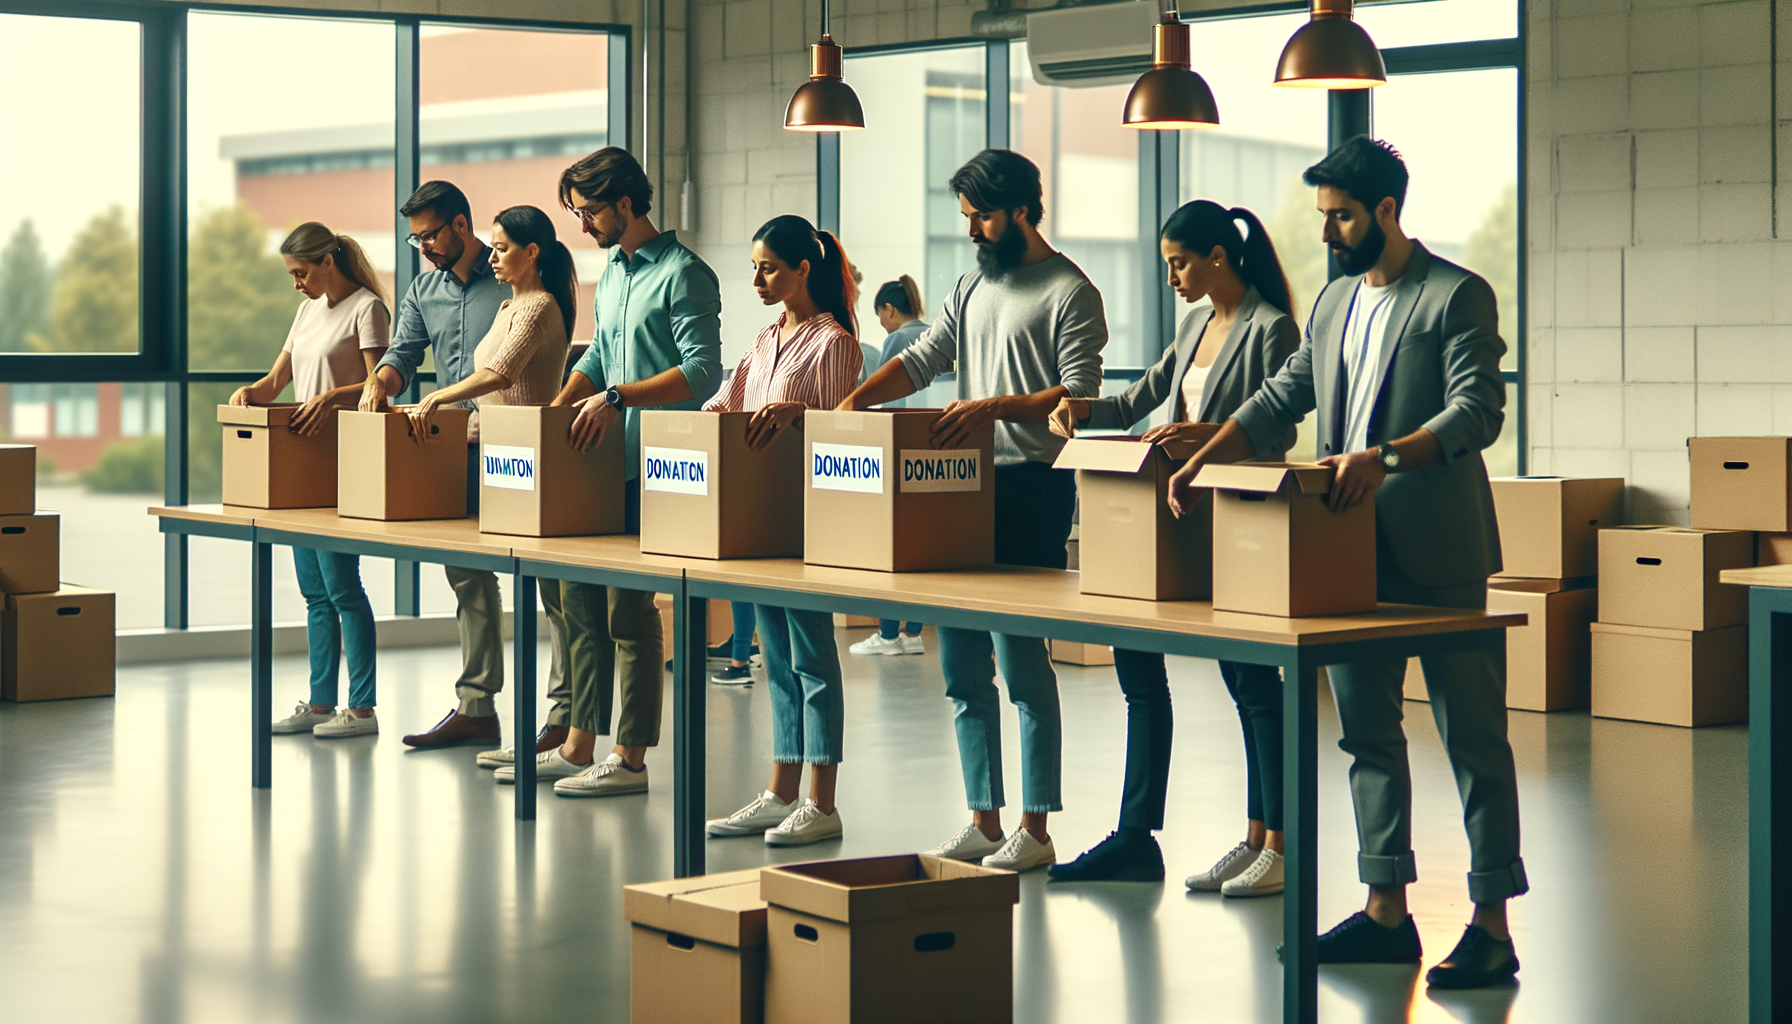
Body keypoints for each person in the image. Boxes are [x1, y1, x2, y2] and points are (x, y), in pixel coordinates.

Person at [1167, 137, 1524, 989]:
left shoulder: (1454, 296)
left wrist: (1386, 458)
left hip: (1438, 554)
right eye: (1324, 217)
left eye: (1341, 217)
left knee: (1473, 739)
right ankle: (1384, 912)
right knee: (1366, 734)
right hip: (1345, 554)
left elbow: (1480, 410)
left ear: (1387, 212)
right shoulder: (1330, 304)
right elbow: (1280, 396)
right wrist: (1204, 458)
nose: (1327, 232)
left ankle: (1491, 926)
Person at [838, 149, 1107, 872]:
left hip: (1033, 488)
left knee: (1023, 665)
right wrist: (859, 399)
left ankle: (1036, 829)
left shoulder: (1071, 292)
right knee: (960, 665)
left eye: (982, 217)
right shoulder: (968, 287)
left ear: (1021, 209)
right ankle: (984, 819)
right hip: (958, 488)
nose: (973, 233)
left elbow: (1075, 399)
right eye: (966, 220)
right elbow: (924, 359)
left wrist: (990, 407)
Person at [1042, 201, 1299, 891]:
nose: (1172, 278)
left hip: (1243, 525)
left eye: (1179, 263)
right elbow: (1138, 400)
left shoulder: (1271, 330)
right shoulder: (1192, 327)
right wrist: (1080, 406)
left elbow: (1277, 436)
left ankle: (1277, 842)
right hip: (1180, 519)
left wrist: (1202, 441)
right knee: (1190, 676)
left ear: (1218, 256)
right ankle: (1247, 839)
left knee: (1253, 683)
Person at [358, 181, 575, 755]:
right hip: (457, 446)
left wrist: (441, 397)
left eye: (429, 234)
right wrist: (379, 383)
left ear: (460, 225)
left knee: (554, 589)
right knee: (466, 577)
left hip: (520, 452)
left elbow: (507, 370)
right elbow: (402, 355)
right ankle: (477, 707)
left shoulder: (515, 287)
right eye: (414, 239)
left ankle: (565, 714)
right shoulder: (424, 289)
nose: (423, 247)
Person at [542, 146, 724, 798]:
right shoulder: (614, 275)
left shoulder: (683, 273)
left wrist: (618, 397)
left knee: (629, 613)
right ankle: (578, 744)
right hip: (599, 464)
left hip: (659, 467)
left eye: (589, 211)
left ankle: (631, 757)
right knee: (580, 605)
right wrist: (560, 405)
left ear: (626, 203)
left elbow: (705, 373)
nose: (583, 226)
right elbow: (601, 359)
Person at [704, 214, 863, 846]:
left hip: (805, 520)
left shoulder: (834, 342)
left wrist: (801, 415)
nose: (758, 279)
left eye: (768, 268)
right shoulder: (765, 338)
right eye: (754, 268)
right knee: (777, 661)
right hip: (759, 520)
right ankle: (780, 790)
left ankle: (822, 802)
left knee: (813, 659)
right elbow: (725, 405)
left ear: (803, 269)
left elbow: (833, 433)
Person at [243, 223, 389, 740]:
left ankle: (363, 708)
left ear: (328, 261)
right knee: (314, 594)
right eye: (291, 275)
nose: (296, 284)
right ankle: (322, 702)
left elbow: (379, 388)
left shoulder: (367, 308)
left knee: (343, 588)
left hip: (343, 464)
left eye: (301, 273)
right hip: (299, 467)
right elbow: (275, 382)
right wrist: (248, 394)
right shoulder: (307, 311)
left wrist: (330, 398)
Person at [848, 274, 930, 656]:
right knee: (922, 548)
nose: (881, 323)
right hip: (931, 450)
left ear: (890, 309)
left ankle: (886, 634)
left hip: (900, 448)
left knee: (892, 549)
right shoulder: (934, 333)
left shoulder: (897, 340)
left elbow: (889, 400)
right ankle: (912, 633)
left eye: (880, 315)